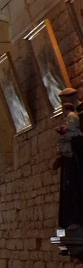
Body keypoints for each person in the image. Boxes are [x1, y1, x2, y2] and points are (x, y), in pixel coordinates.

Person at [54, 88, 83, 235]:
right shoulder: (72, 116)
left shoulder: (76, 115)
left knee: (75, 187)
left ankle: (76, 220)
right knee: (68, 188)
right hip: (70, 156)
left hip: (77, 158)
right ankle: (70, 221)